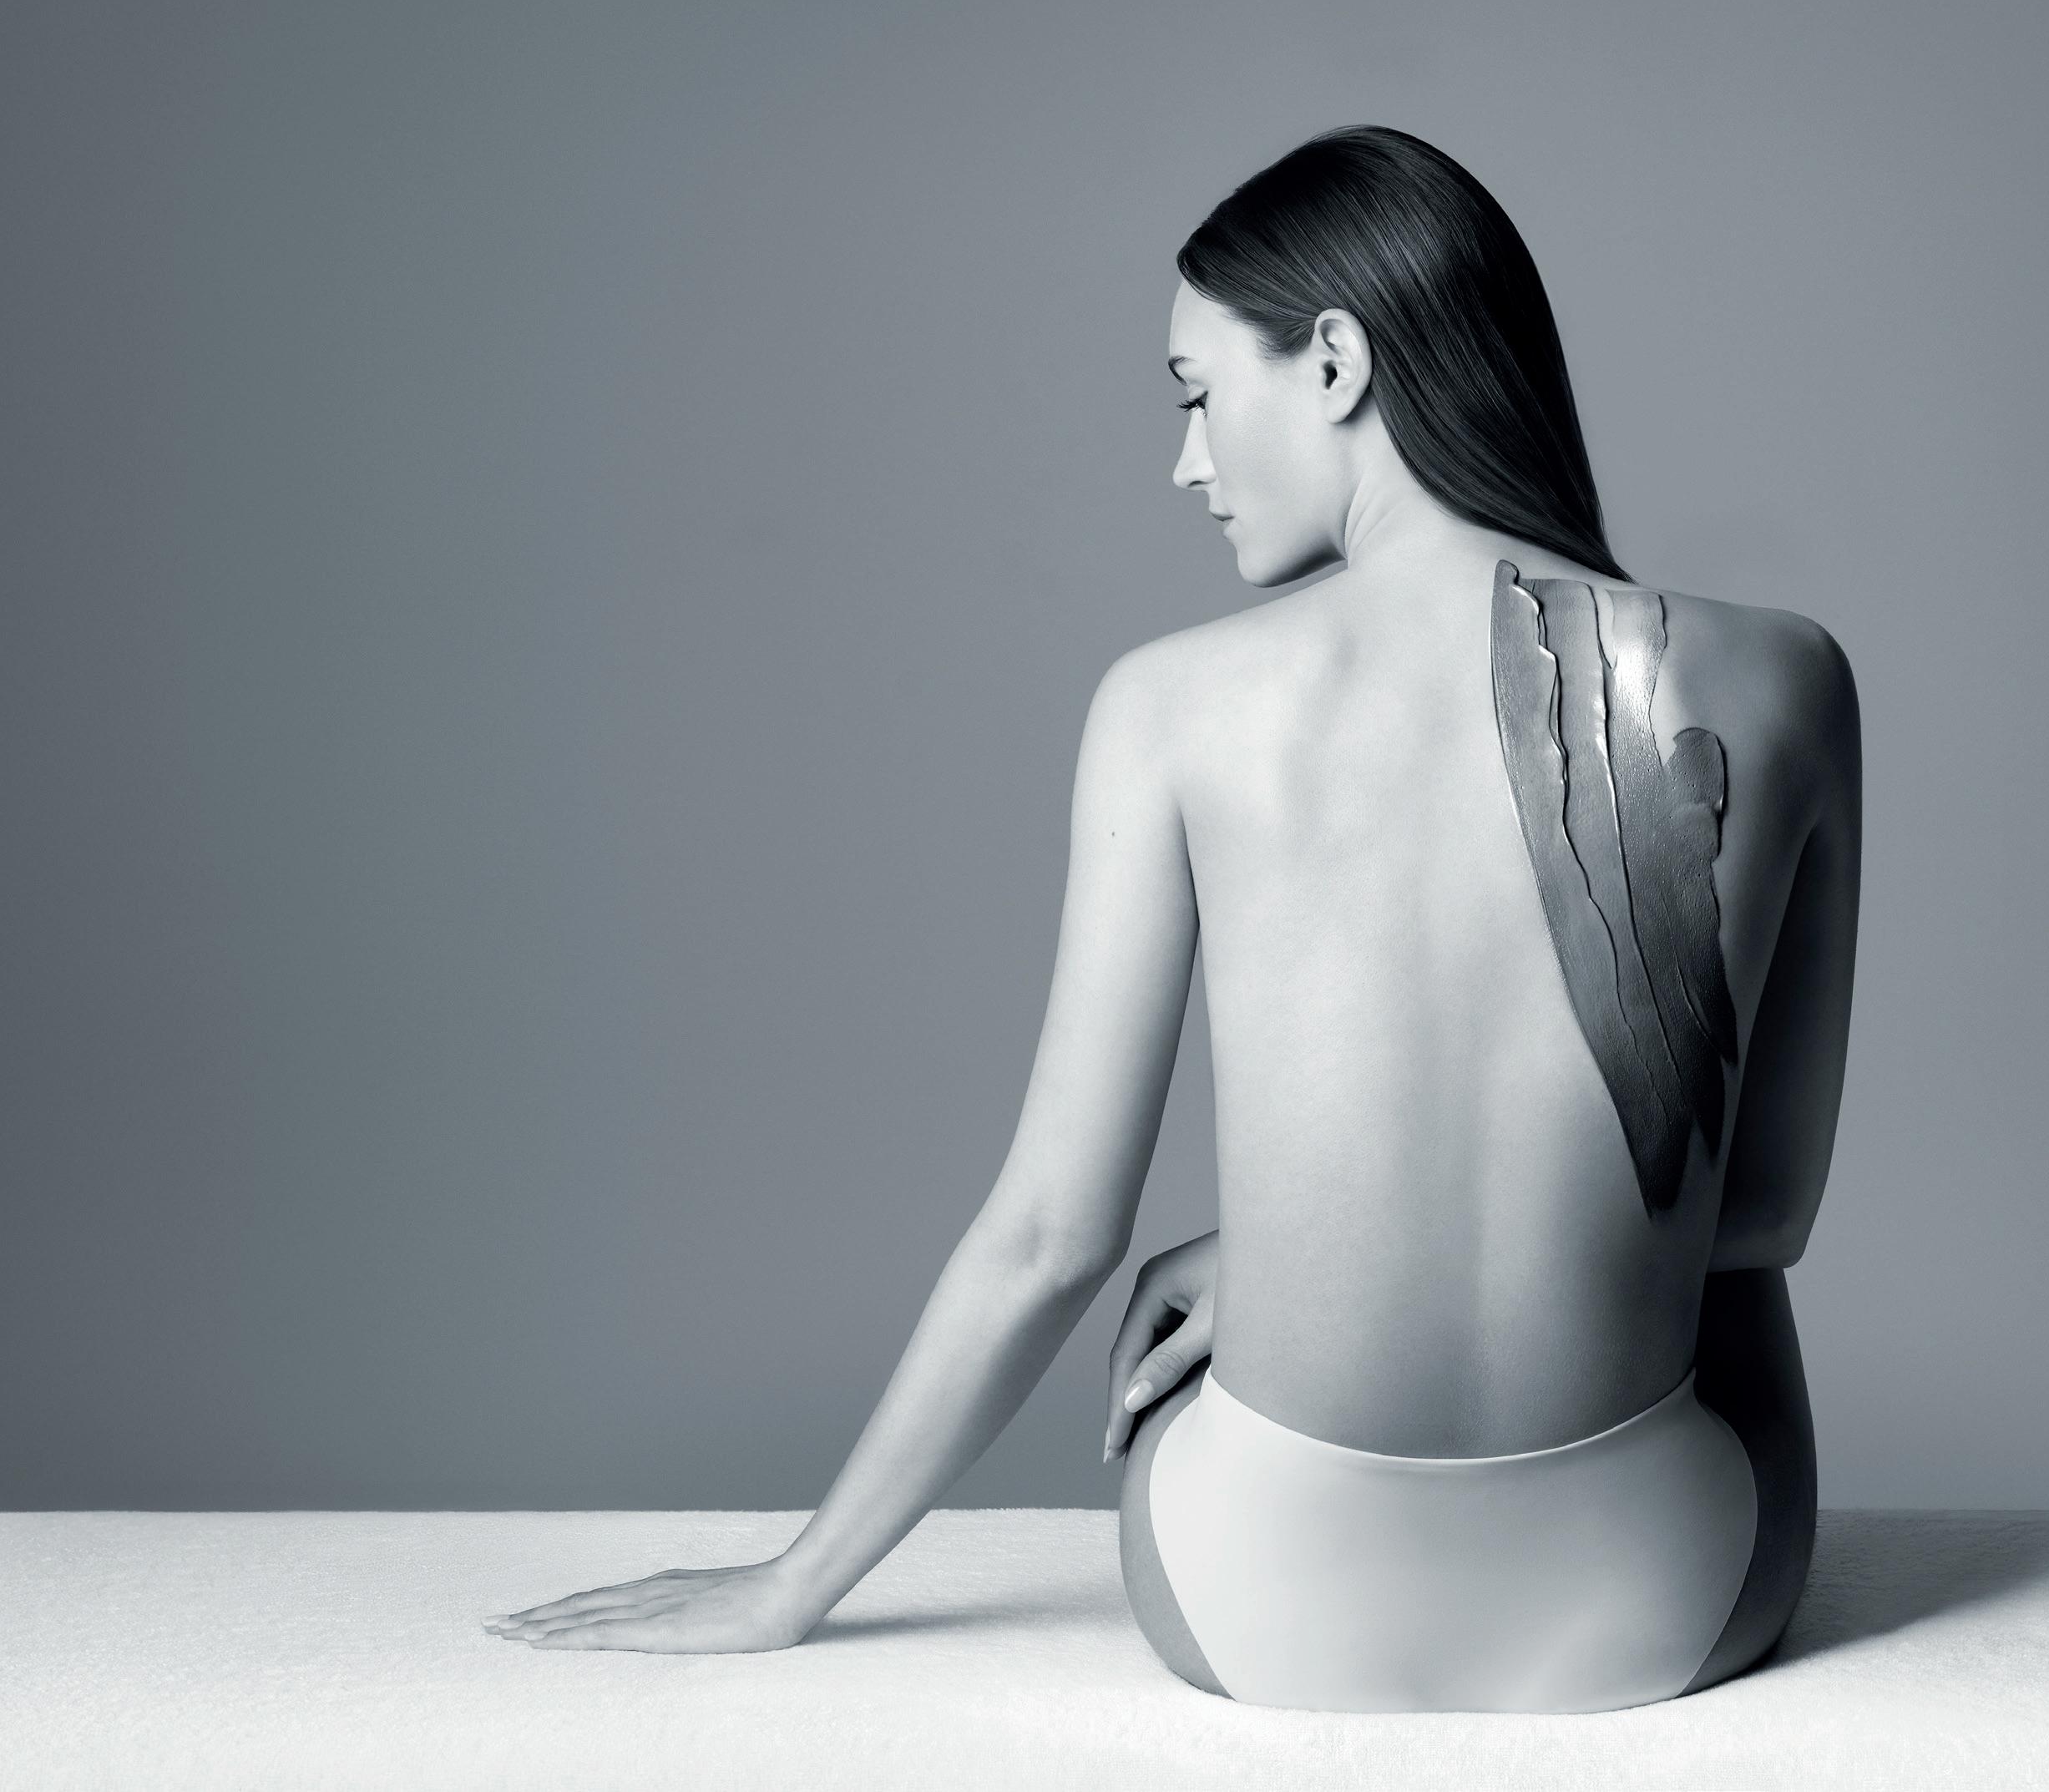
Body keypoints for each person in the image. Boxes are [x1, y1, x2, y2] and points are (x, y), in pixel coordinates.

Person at [484, 126, 1860, 1711]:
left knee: (1226, 1349)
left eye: (1198, 395)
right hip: (1661, 1594)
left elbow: (1053, 1235)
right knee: (1724, 1284)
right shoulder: (1786, 674)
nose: (1188, 465)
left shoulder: (1171, 705)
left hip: (1258, 1597)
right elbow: (1760, 1214)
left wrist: (793, 1583)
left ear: (1335, 360)